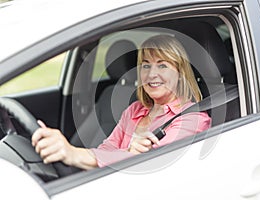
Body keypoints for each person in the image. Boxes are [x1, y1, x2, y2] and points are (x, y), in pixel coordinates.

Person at [31, 35, 211, 170]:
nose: (151, 74)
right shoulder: (135, 110)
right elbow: (106, 149)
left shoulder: (193, 119)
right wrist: (128, 153)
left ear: (180, 74)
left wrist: (74, 154)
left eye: (162, 65)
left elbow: (152, 167)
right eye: (146, 65)